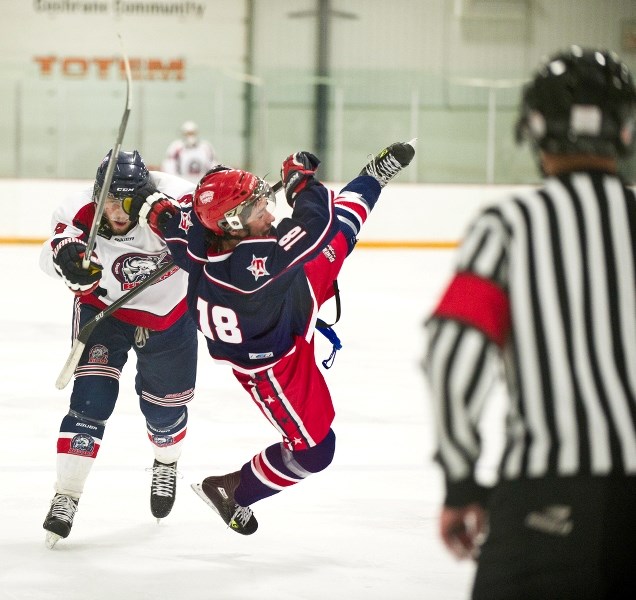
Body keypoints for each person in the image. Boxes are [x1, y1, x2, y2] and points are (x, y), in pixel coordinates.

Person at [423, 46, 636, 599]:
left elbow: (452, 353)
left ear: (535, 131)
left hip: (546, 499)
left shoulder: (510, 226)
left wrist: (462, 482)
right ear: (625, 132)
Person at [127, 140, 415, 534]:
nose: (268, 211)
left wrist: (141, 196)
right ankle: (232, 491)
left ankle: (371, 177)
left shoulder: (194, 236)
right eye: (258, 209)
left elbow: (164, 215)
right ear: (231, 225)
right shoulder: (249, 267)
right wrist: (300, 183)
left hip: (282, 305)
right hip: (275, 365)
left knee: (341, 236)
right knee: (316, 451)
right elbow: (313, 223)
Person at [39, 150, 199, 549]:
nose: (117, 210)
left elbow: (209, 241)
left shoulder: (176, 198)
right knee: (89, 403)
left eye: (126, 200)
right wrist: (67, 264)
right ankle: (67, 495)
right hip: (105, 314)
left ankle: (166, 461)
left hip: (169, 315)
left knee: (163, 413)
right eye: (109, 199)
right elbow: (50, 253)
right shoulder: (78, 210)